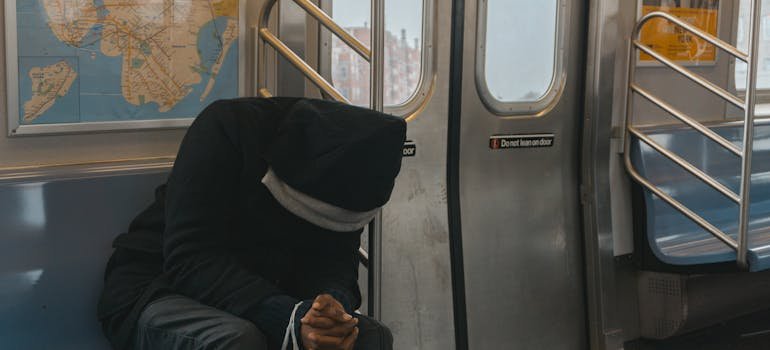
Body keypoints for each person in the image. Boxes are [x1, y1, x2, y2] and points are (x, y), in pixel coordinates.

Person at [97, 97, 406, 350]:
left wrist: (329, 309)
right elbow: (189, 259)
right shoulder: (226, 128)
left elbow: (336, 262)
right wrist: (288, 317)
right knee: (240, 340)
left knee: (370, 337)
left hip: (271, 290)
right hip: (160, 287)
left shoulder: (353, 170)